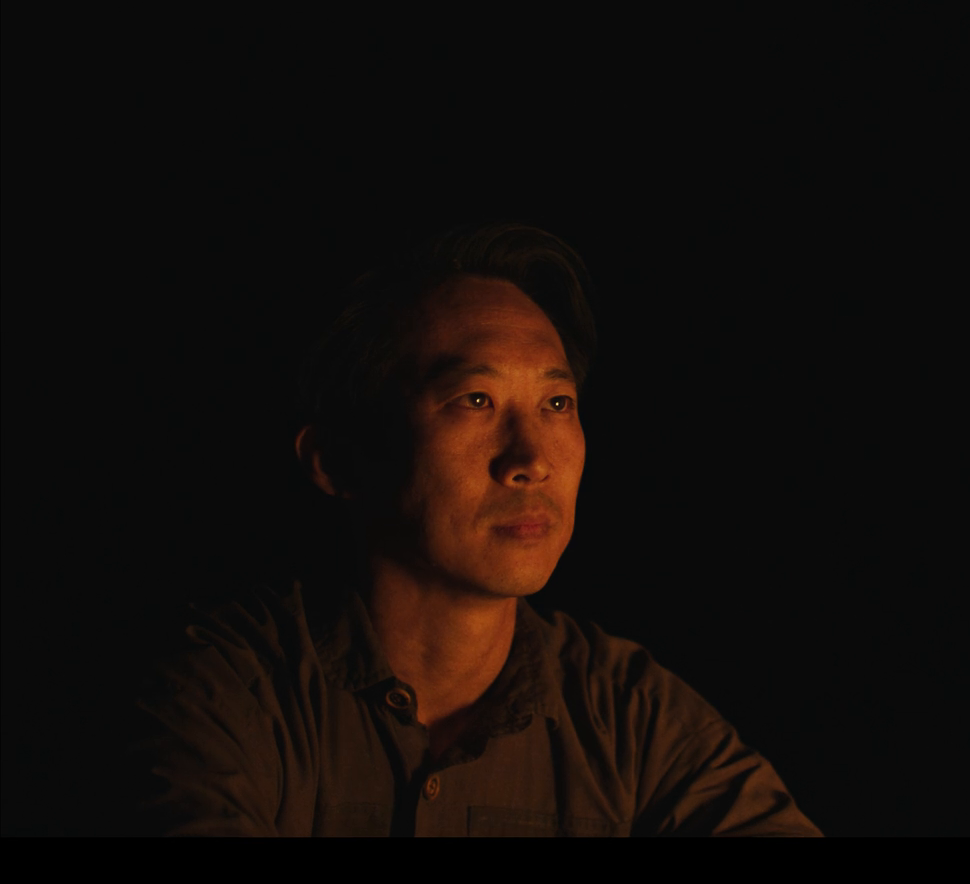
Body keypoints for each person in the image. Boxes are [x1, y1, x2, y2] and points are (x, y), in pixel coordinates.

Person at [127, 224, 820, 836]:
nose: (532, 460)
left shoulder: (629, 716)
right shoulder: (230, 693)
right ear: (337, 461)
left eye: (556, 403)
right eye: (476, 399)